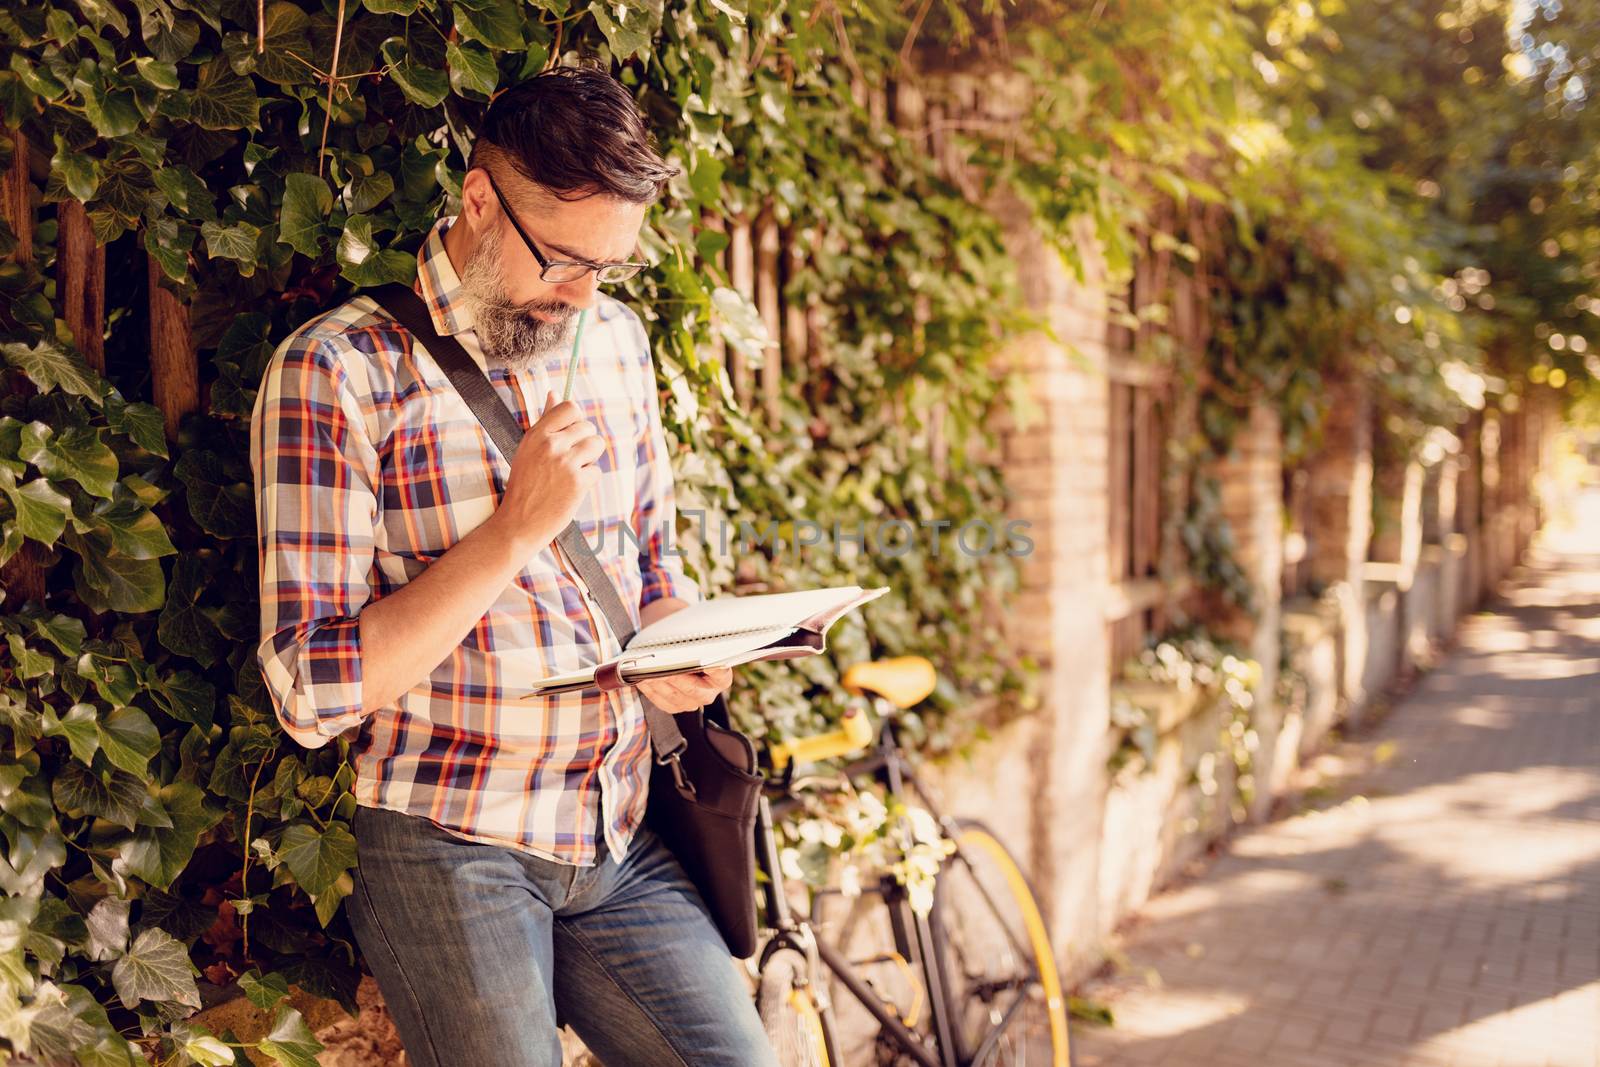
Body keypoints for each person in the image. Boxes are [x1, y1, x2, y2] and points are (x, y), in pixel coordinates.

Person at [250, 63, 778, 1067]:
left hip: (616, 828)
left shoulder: (617, 340)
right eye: (565, 260)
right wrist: (510, 533)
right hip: (451, 839)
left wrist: (678, 643)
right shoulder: (337, 371)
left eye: (607, 268)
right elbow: (309, 690)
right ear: (480, 199)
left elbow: (649, 558)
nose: (583, 294)